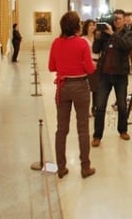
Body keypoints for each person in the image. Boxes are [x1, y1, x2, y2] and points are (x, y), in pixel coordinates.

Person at [48, 11, 96, 179]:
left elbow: (51, 67)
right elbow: (89, 69)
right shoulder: (82, 43)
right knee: (83, 128)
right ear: (77, 26)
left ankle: (61, 167)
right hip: (80, 86)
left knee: (61, 129)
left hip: (63, 87)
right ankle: (85, 167)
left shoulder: (56, 43)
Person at [91, 9, 132, 147]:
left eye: (119, 19)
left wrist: (112, 34)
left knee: (122, 106)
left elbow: (126, 46)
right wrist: (98, 36)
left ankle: (123, 130)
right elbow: (95, 49)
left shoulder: (129, 33)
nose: (116, 21)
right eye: (114, 18)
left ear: (124, 19)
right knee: (100, 106)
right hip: (104, 74)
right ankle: (97, 135)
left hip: (120, 75)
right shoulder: (105, 33)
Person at [81, 19, 99, 115]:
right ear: (86, 27)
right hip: (87, 64)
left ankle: (95, 108)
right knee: (87, 88)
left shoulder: (98, 38)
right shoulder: (82, 39)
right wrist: (90, 62)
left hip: (98, 63)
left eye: (94, 25)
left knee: (96, 88)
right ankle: (86, 109)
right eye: (90, 25)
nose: (92, 27)